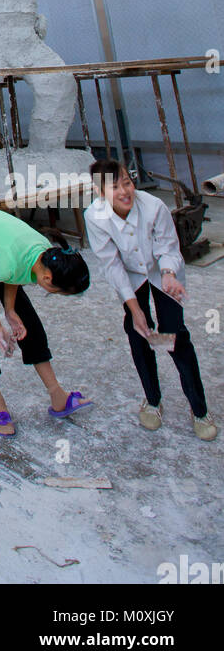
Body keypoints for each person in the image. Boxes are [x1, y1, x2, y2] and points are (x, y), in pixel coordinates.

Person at [85, 159, 217, 441]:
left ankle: (200, 409)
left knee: (174, 336)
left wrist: (169, 274)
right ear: (99, 192)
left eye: (127, 182)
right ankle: (153, 400)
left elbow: (168, 246)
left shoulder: (154, 206)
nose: (124, 191)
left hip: (161, 272)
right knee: (139, 332)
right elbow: (111, 265)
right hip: (131, 277)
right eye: (114, 187)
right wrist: (134, 308)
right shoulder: (94, 216)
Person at [0, 205, 92, 436]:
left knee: (26, 319)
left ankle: (57, 395)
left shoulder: (42, 254)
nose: (56, 296)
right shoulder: (9, 260)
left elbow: (16, 272)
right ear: (48, 278)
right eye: (59, 292)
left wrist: (10, 311)